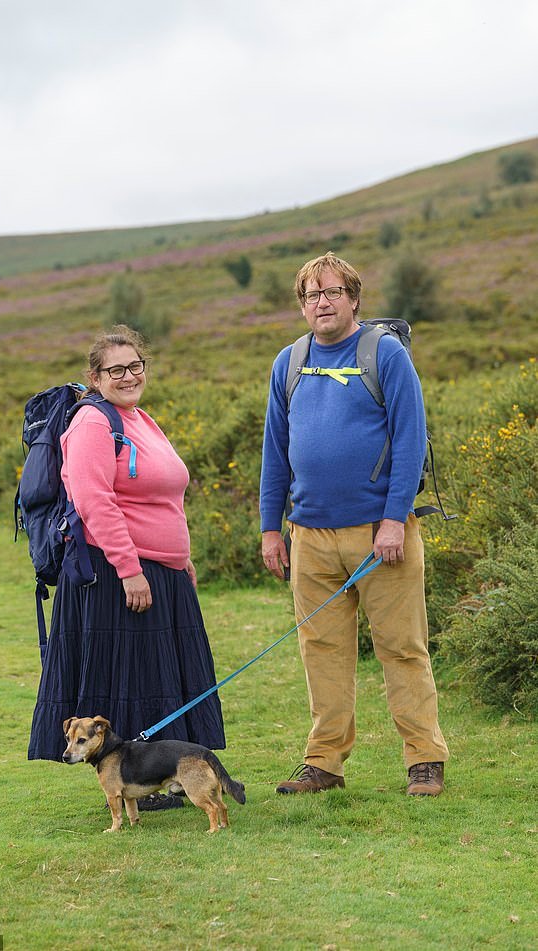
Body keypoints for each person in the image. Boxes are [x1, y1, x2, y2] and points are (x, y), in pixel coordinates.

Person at [260, 251, 449, 797]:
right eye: (311, 295)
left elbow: (411, 439)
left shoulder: (384, 354)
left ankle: (424, 760)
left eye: (332, 292)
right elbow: (276, 451)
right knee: (321, 651)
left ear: (354, 299)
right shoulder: (288, 363)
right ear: (303, 306)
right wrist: (272, 527)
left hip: (379, 535)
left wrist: (394, 520)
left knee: (402, 647)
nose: (322, 302)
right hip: (309, 536)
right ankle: (324, 764)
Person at [28, 325, 225, 809]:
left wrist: (182, 561)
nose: (128, 375)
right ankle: (140, 786)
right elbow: (95, 501)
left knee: (161, 679)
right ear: (95, 377)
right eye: (116, 369)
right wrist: (129, 566)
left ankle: (165, 779)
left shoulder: (138, 417)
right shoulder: (94, 424)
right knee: (132, 681)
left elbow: (162, 498)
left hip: (162, 570)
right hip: (117, 575)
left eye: (136, 365)